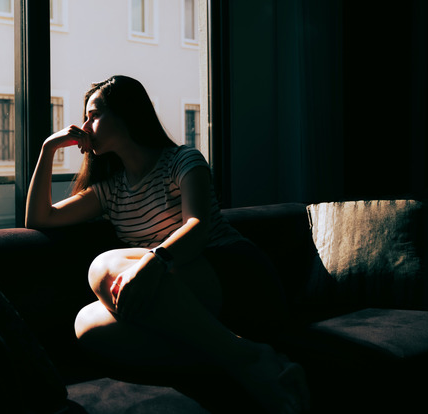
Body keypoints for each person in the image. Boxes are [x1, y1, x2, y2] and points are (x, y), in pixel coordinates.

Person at [25, 75, 309, 414]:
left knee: (103, 268)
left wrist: (152, 262)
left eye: (94, 114)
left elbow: (198, 227)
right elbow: (40, 218)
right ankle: (238, 361)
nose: (84, 126)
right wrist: (48, 148)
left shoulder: (182, 160)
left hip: (231, 273)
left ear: (127, 115)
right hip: (183, 295)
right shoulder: (111, 189)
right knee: (87, 324)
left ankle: (251, 358)